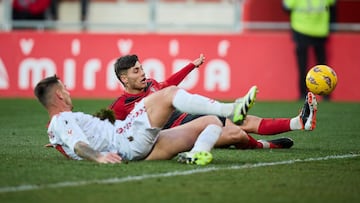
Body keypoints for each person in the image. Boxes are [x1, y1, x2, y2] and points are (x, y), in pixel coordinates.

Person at [34, 74, 257, 165]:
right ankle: (232, 109)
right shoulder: (61, 119)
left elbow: (74, 141)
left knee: (210, 121)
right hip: (128, 139)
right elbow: (79, 146)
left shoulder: (62, 124)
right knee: (169, 93)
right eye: (66, 89)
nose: (69, 91)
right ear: (59, 95)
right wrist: (100, 158)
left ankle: (198, 152)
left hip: (140, 149)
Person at [109, 54, 318, 150]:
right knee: (236, 132)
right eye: (136, 71)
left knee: (244, 121)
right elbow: (103, 125)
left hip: (189, 117)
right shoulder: (120, 105)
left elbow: (170, 83)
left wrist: (191, 66)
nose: (143, 73)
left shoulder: (153, 85)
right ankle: (266, 144)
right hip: (179, 130)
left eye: (142, 67)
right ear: (124, 79)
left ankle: (298, 122)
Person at [282, 0, 336, 100]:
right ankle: (326, 94)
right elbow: (333, 5)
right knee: (322, 64)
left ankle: (303, 94)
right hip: (320, 30)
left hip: (300, 29)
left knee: (302, 65)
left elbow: (286, 7)